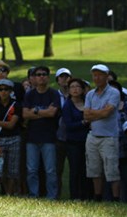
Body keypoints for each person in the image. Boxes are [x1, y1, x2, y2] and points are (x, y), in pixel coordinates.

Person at [22, 65, 60, 200]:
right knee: (31, 170)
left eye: (44, 74)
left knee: (50, 170)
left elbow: (52, 113)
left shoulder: (54, 94)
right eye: (38, 74)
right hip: (32, 138)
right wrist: (44, 112)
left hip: (49, 137)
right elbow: (25, 114)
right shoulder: (30, 95)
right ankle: (34, 195)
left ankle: (52, 196)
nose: (41, 77)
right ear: (34, 78)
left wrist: (36, 111)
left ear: (48, 77)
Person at [84, 64, 121, 202]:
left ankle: (116, 199)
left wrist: (96, 113)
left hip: (109, 137)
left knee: (112, 170)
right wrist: (100, 113)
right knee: (94, 169)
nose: (97, 78)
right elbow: (86, 116)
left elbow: (108, 112)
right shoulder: (90, 94)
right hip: (93, 136)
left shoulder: (114, 93)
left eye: (100, 75)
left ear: (106, 76)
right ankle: (97, 197)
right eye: (95, 75)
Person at [0, 79, 21, 195]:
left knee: (12, 171)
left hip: (14, 139)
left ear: (10, 91)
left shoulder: (16, 105)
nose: (3, 92)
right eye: (0, 89)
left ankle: (9, 195)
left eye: (6, 89)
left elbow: (11, 125)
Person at [63, 78, 92, 200]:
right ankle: (75, 196)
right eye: (72, 87)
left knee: (88, 169)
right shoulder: (67, 105)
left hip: (88, 141)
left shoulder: (88, 103)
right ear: (69, 90)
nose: (75, 89)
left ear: (83, 89)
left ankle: (88, 196)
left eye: (77, 87)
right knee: (75, 169)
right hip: (73, 142)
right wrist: (84, 122)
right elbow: (69, 125)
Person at [54, 67, 71, 198]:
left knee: (76, 169)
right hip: (58, 137)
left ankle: (77, 195)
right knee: (57, 169)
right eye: (62, 77)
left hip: (73, 137)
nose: (64, 79)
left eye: (67, 76)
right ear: (57, 80)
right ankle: (56, 195)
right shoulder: (54, 95)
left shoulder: (76, 94)